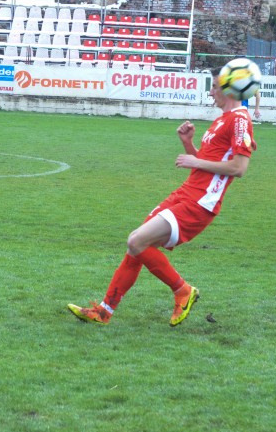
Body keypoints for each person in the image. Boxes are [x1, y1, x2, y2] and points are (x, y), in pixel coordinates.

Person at [67, 71, 257, 327]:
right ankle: (104, 312)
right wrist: (188, 143)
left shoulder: (240, 120)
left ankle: (183, 291)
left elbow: (238, 168)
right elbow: (206, 164)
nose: (211, 92)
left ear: (229, 88)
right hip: (186, 193)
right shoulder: (222, 119)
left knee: (136, 241)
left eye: (214, 87)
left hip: (201, 203)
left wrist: (195, 161)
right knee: (136, 247)